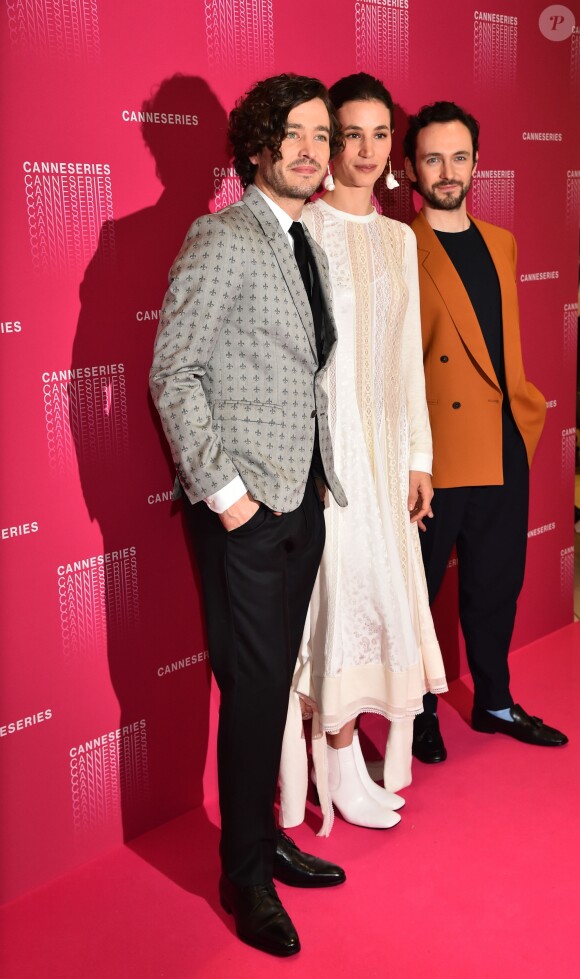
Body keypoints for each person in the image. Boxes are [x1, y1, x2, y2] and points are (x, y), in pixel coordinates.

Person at [150, 74, 348, 958]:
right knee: (256, 683)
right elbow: (174, 373)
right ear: (257, 147)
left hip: (301, 495)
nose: (310, 150)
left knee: (265, 686)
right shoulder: (221, 236)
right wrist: (229, 498)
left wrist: (302, 486)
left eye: (320, 135)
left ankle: (259, 839)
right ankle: (246, 875)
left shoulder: (306, 241)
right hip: (249, 508)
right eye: (292, 134)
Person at [278, 73, 447, 838]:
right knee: (336, 604)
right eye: (352, 134)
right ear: (330, 140)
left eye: (382, 135)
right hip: (329, 455)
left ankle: (351, 762)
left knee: (379, 599)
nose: (367, 150)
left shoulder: (400, 238)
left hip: (384, 457)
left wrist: (419, 455)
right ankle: (336, 760)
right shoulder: (302, 229)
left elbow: (407, 357)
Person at [402, 101, 568, 762]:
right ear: (412, 167)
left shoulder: (501, 241)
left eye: (459, 156)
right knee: (416, 588)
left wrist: (524, 415)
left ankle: (495, 700)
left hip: (502, 437)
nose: (448, 171)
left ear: (477, 162)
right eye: (433, 157)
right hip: (433, 449)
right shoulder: (398, 245)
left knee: (497, 580)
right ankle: (417, 713)